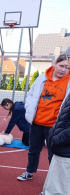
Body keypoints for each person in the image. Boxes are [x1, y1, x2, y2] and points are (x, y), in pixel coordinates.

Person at [31, 46, 70, 195]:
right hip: (62, 148)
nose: (66, 67)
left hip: (66, 150)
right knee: (51, 191)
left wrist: (58, 138)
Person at [18, 53, 70, 181]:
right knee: (33, 149)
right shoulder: (42, 78)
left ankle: (52, 181)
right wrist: (29, 108)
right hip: (37, 122)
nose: (64, 69)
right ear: (55, 64)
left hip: (55, 125)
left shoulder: (68, 81)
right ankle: (29, 172)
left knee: (53, 154)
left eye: (67, 67)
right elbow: (30, 94)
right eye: (61, 65)